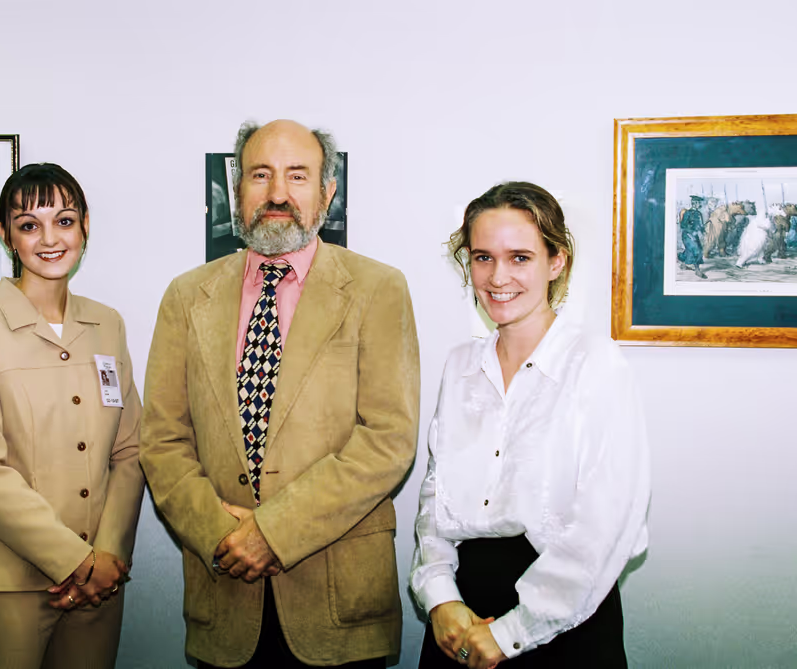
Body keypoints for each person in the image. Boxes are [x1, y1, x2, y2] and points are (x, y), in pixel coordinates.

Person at [140, 119, 420, 668]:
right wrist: (224, 536)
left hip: (340, 604)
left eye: (297, 176)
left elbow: (388, 439)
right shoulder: (184, 296)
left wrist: (273, 532)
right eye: (260, 174)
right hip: (224, 596)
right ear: (237, 187)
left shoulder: (378, 289)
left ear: (326, 193)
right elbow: (162, 440)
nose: (276, 193)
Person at [411, 182, 650, 669]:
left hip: (564, 618)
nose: (498, 276)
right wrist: (439, 598)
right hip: (462, 613)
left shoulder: (595, 363)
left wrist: (513, 631)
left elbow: (607, 523)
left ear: (556, 261)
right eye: (482, 257)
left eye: (520, 257)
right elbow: (436, 503)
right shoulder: (458, 367)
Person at [0, 163, 146, 668]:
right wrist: (77, 561)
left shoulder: (107, 325)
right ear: (6, 235)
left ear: (85, 226)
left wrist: (107, 559)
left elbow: (131, 450)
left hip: (100, 588)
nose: (50, 239)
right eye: (29, 225)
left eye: (65, 220)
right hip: (8, 589)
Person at [677, 194, 707, 278]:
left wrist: (703, 231)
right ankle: (697, 270)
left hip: (695, 235)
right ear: (694, 203)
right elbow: (683, 225)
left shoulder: (699, 213)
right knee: (696, 250)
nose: (700, 205)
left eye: (700, 203)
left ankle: (683, 264)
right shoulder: (688, 213)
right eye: (698, 203)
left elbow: (700, 225)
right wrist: (691, 231)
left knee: (694, 250)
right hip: (687, 235)